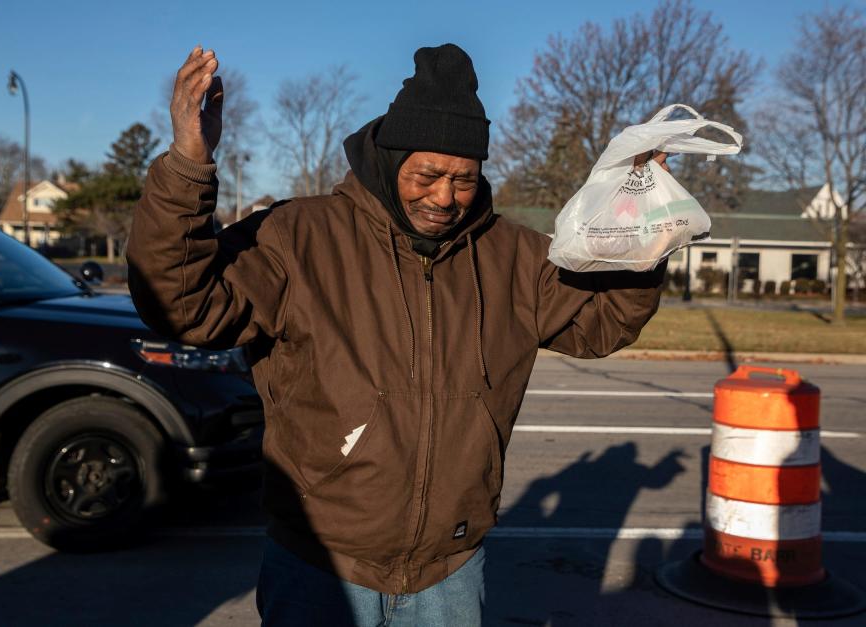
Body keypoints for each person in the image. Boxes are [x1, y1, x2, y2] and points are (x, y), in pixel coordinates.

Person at [128, 43, 668, 626]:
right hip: (319, 563)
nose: (445, 197)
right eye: (428, 174)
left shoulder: (515, 256)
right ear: (390, 159)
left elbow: (601, 324)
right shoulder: (295, 237)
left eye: (464, 179)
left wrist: (639, 232)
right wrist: (189, 163)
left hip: (450, 569)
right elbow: (182, 304)